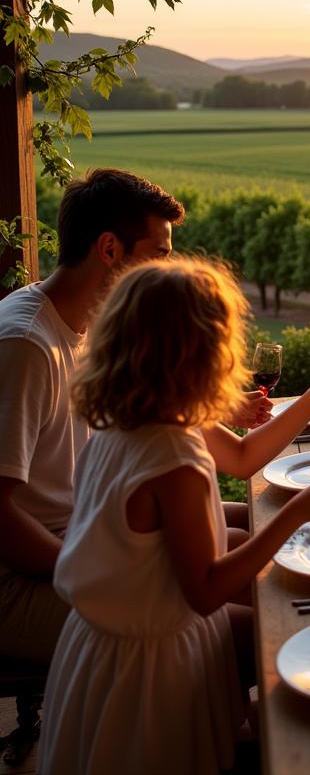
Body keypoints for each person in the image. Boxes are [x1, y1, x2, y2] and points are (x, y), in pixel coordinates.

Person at [37, 257, 310, 774]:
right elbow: (207, 589)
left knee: (269, 629)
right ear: (204, 351)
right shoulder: (173, 462)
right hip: (148, 670)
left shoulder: (130, 415)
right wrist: (297, 513)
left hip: (100, 645)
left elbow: (242, 458)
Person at [0, 169, 187, 663]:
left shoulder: (87, 326)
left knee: (240, 536)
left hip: (80, 533)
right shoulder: (25, 345)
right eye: (158, 257)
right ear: (109, 250)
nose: (165, 274)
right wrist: (102, 564)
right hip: (18, 586)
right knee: (208, 609)